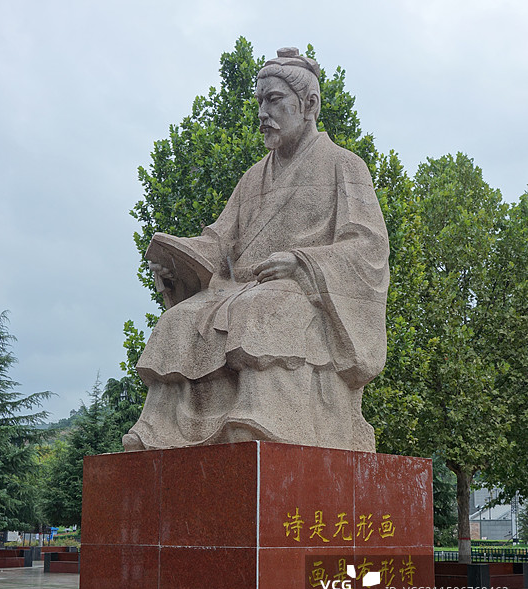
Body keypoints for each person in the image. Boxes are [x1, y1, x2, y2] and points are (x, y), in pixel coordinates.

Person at [122, 48, 389, 453]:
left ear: (309, 105)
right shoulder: (252, 178)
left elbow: (367, 245)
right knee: (179, 320)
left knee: (262, 311)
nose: (263, 112)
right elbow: (218, 240)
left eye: (274, 100)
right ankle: (159, 431)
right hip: (236, 287)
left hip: (300, 290)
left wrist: (302, 262)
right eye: (260, 101)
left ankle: (259, 418)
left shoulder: (344, 165)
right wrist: (178, 259)